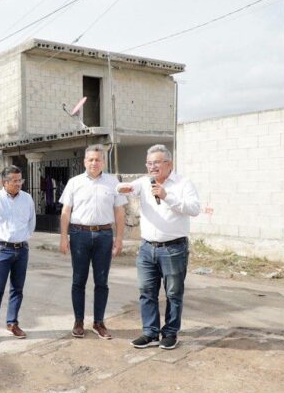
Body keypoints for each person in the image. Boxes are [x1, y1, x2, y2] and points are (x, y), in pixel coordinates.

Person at [118, 144, 200, 350]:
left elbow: (194, 209)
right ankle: (150, 333)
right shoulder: (144, 182)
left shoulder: (183, 183)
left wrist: (166, 196)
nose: (152, 167)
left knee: (173, 293)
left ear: (169, 163)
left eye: (156, 163)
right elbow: (124, 187)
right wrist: (121, 188)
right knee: (146, 291)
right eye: (149, 163)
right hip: (147, 248)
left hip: (173, 249)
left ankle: (170, 333)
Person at [59, 144, 126, 340]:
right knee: (78, 280)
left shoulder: (113, 182)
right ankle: (79, 321)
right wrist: (64, 237)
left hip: (104, 236)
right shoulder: (74, 182)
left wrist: (119, 238)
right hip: (79, 234)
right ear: (84, 162)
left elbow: (120, 211)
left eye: (98, 159)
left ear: (103, 162)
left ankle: (99, 322)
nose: (94, 163)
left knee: (102, 281)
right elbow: (66, 212)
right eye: (90, 159)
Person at [0, 165, 36, 345]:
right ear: (4, 182)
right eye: (15, 181)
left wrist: (23, 237)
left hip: (22, 250)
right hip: (2, 250)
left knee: (17, 289)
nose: (19, 183)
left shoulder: (27, 199)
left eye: (20, 180)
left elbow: (31, 222)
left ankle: (12, 323)